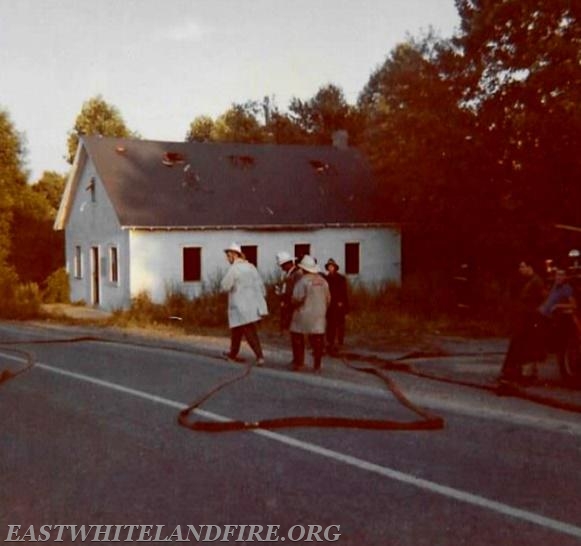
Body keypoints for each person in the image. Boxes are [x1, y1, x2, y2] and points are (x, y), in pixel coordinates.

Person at [499, 260, 546, 384]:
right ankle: (516, 372)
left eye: (522, 267)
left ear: (530, 267)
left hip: (529, 318)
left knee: (525, 347)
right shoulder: (529, 282)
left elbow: (539, 300)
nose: (520, 269)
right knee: (521, 346)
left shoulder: (536, 282)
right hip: (524, 318)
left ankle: (522, 374)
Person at [220, 243, 267, 365]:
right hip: (251, 304)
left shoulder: (234, 269)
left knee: (248, 331)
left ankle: (260, 356)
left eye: (229, 255)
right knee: (237, 330)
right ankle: (233, 354)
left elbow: (225, 286)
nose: (228, 258)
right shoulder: (251, 267)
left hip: (239, 305)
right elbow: (260, 285)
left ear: (235, 255)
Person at [289, 255, 331, 372]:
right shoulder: (323, 281)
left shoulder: (302, 281)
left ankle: (299, 363)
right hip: (319, 315)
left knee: (297, 335)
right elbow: (328, 299)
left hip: (303, 314)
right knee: (318, 339)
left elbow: (296, 299)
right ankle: (317, 365)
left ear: (304, 269)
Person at [538, 268, 577, 357]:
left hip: (549, 317)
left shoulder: (567, 288)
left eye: (561, 275)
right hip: (542, 312)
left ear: (565, 277)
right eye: (557, 275)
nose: (559, 277)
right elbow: (550, 298)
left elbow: (574, 305)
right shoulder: (555, 285)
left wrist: (558, 306)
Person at [324, 258, 349, 354]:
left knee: (340, 323)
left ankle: (340, 341)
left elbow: (344, 293)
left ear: (335, 267)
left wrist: (344, 305)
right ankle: (330, 341)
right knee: (330, 324)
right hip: (330, 304)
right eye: (329, 267)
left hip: (339, 304)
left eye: (332, 266)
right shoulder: (326, 279)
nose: (330, 268)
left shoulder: (341, 279)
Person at [275, 251, 303, 332]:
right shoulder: (287, 274)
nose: (282, 268)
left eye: (282, 265)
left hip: (293, 301)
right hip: (287, 300)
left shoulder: (297, 273)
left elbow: (296, 289)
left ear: (288, 264)